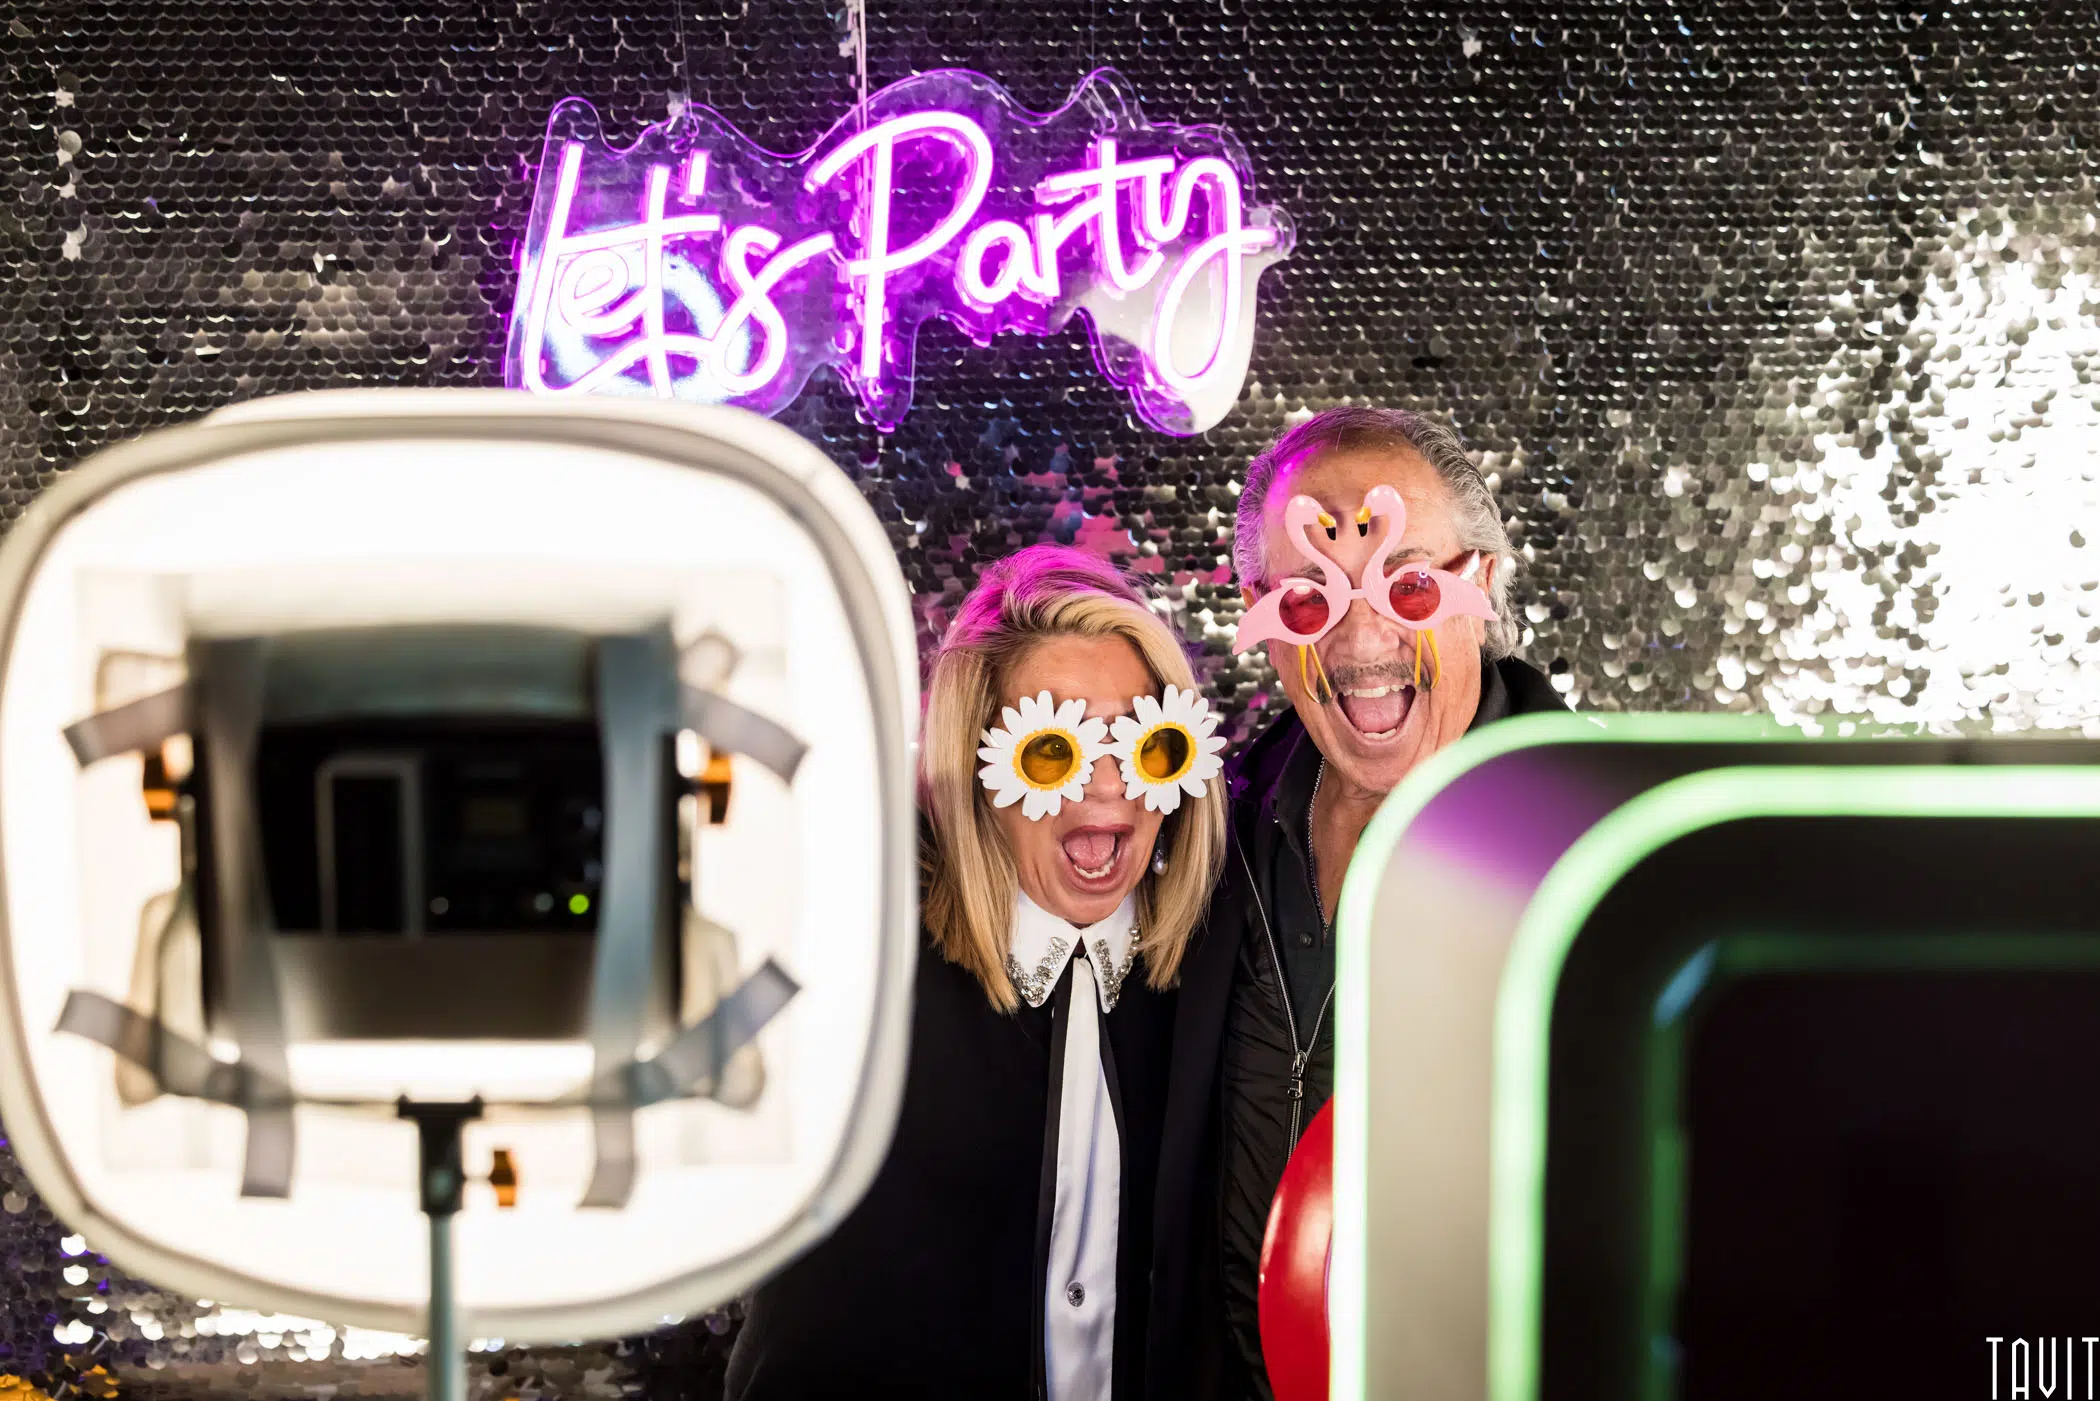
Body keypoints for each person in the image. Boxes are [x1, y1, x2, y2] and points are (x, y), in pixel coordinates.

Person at [728, 544, 1227, 1400]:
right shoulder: (853, 952)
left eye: (1145, 744)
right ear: (977, 773)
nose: (1109, 785)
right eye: (1053, 752)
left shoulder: (1213, 978)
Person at [1146, 406, 1568, 1400]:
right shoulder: (1212, 835)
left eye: (1410, 584)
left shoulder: (1595, 848)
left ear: (1483, 586)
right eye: (1306, 597)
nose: (1361, 637)